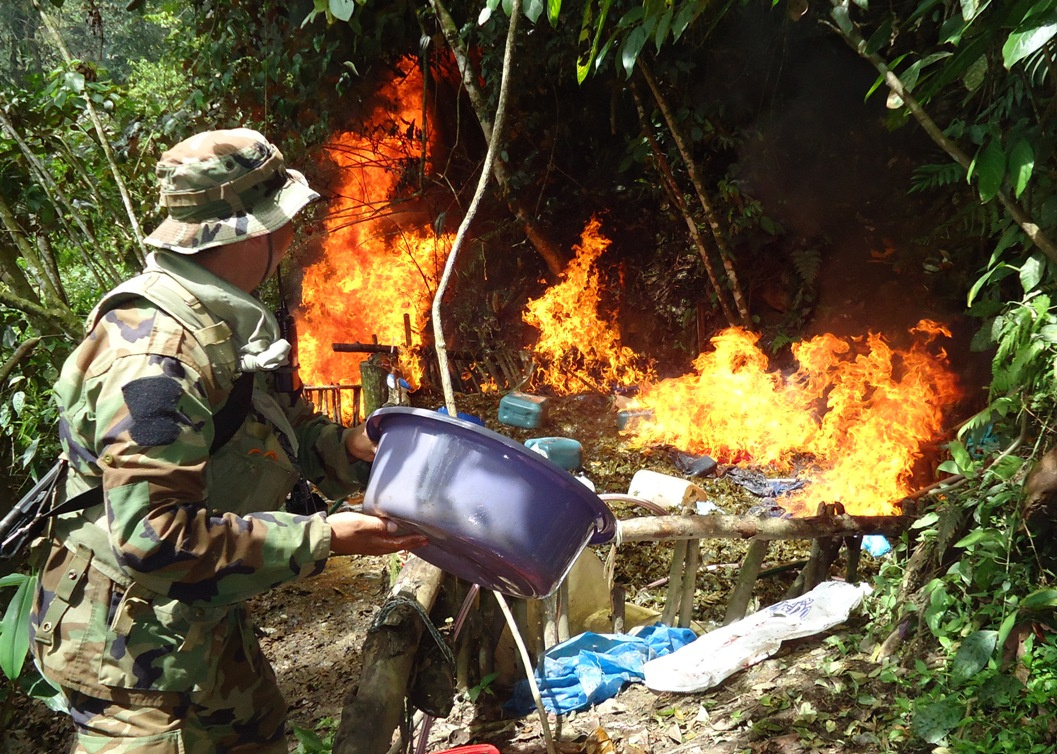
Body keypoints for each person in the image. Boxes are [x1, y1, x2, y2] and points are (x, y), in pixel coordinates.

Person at [29, 128, 428, 753]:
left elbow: (251, 428)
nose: (294, 238)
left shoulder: (218, 321)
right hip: (130, 654)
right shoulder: (158, 355)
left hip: (204, 620)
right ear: (249, 232)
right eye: (284, 222)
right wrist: (324, 538)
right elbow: (153, 536)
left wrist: (343, 448)